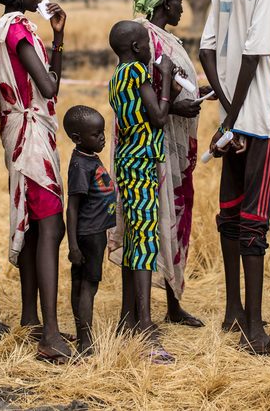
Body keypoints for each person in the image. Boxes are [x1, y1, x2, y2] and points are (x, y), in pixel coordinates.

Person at [199, 0, 270, 355]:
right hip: (260, 120)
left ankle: (234, 312)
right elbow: (255, 52)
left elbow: (207, 50)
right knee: (254, 221)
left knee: (231, 216)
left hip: (234, 120)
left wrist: (227, 110)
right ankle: (255, 332)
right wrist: (237, 114)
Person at [0, 0, 70, 363]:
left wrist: (55, 37)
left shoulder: (3, 30)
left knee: (36, 228)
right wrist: (60, 41)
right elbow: (50, 86)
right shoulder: (18, 29)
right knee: (51, 227)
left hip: (21, 130)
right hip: (31, 134)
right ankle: (50, 334)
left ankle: (30, 320)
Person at [118, 0, 210, 327]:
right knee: (145, 225)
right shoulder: (139, 38)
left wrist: (195, 92)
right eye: (178, 1)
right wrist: (177, 108)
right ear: (163, 5)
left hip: (171, 146)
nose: (182, 7)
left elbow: (167, 83)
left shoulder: (161, 38)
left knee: (174, 221)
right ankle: (136, 314)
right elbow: (136, 96)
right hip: (150, 147)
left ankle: (172, 305)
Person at [108, 20, 180, 362]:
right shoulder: (137, 72)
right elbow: (158, 117)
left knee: (137, 238)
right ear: (137, 48)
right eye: (147, 43)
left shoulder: (117, 76)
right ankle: (145, 328)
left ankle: (132, 321)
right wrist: (164, 76)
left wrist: (167, 85)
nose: (152, 49)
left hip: (129, 161)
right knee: (144, 242)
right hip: (140, 164)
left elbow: (143, 113)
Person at [63, 105, 116, 355]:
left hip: (93, 232)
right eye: (96, 134)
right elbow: (71, 208)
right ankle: (86, 340)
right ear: (78, 138)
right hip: (89, 235)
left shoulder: (88, 156)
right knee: (88, 286)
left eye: (103, 132)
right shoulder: (80, 165)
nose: (103, 138)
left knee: (80, 283)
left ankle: (83, 334)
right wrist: (73, 246)